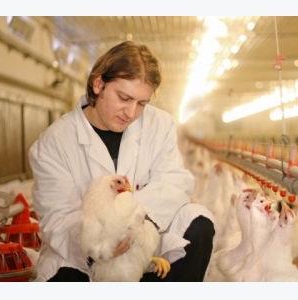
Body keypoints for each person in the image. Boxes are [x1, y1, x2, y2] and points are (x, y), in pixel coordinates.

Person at [28, 41, 215, 282]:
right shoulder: (53, 143)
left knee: (199, 222)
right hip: (83, 259)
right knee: (65, 278)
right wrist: (101, 244)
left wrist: (134, 222)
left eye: (141, 103)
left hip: (145, 242)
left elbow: (174, 181)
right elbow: (58, 217)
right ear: (98, 84)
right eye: (124, 98)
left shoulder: (160, 124)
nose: (131, 112)